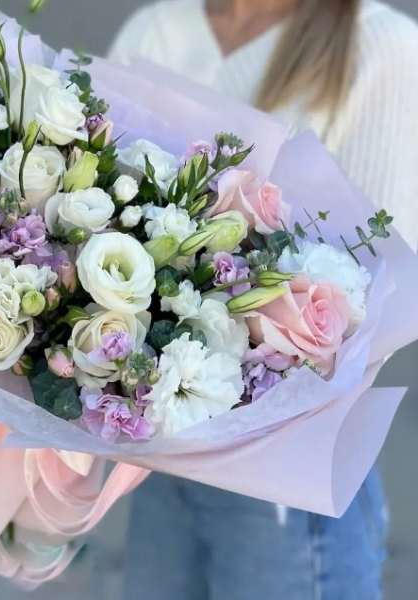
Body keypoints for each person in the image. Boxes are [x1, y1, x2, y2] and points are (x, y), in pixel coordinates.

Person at [108, 1, 418, 598]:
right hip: (156, 462)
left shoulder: (381, 48)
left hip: (288, 484)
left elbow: (380, 293)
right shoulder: (157, 31)